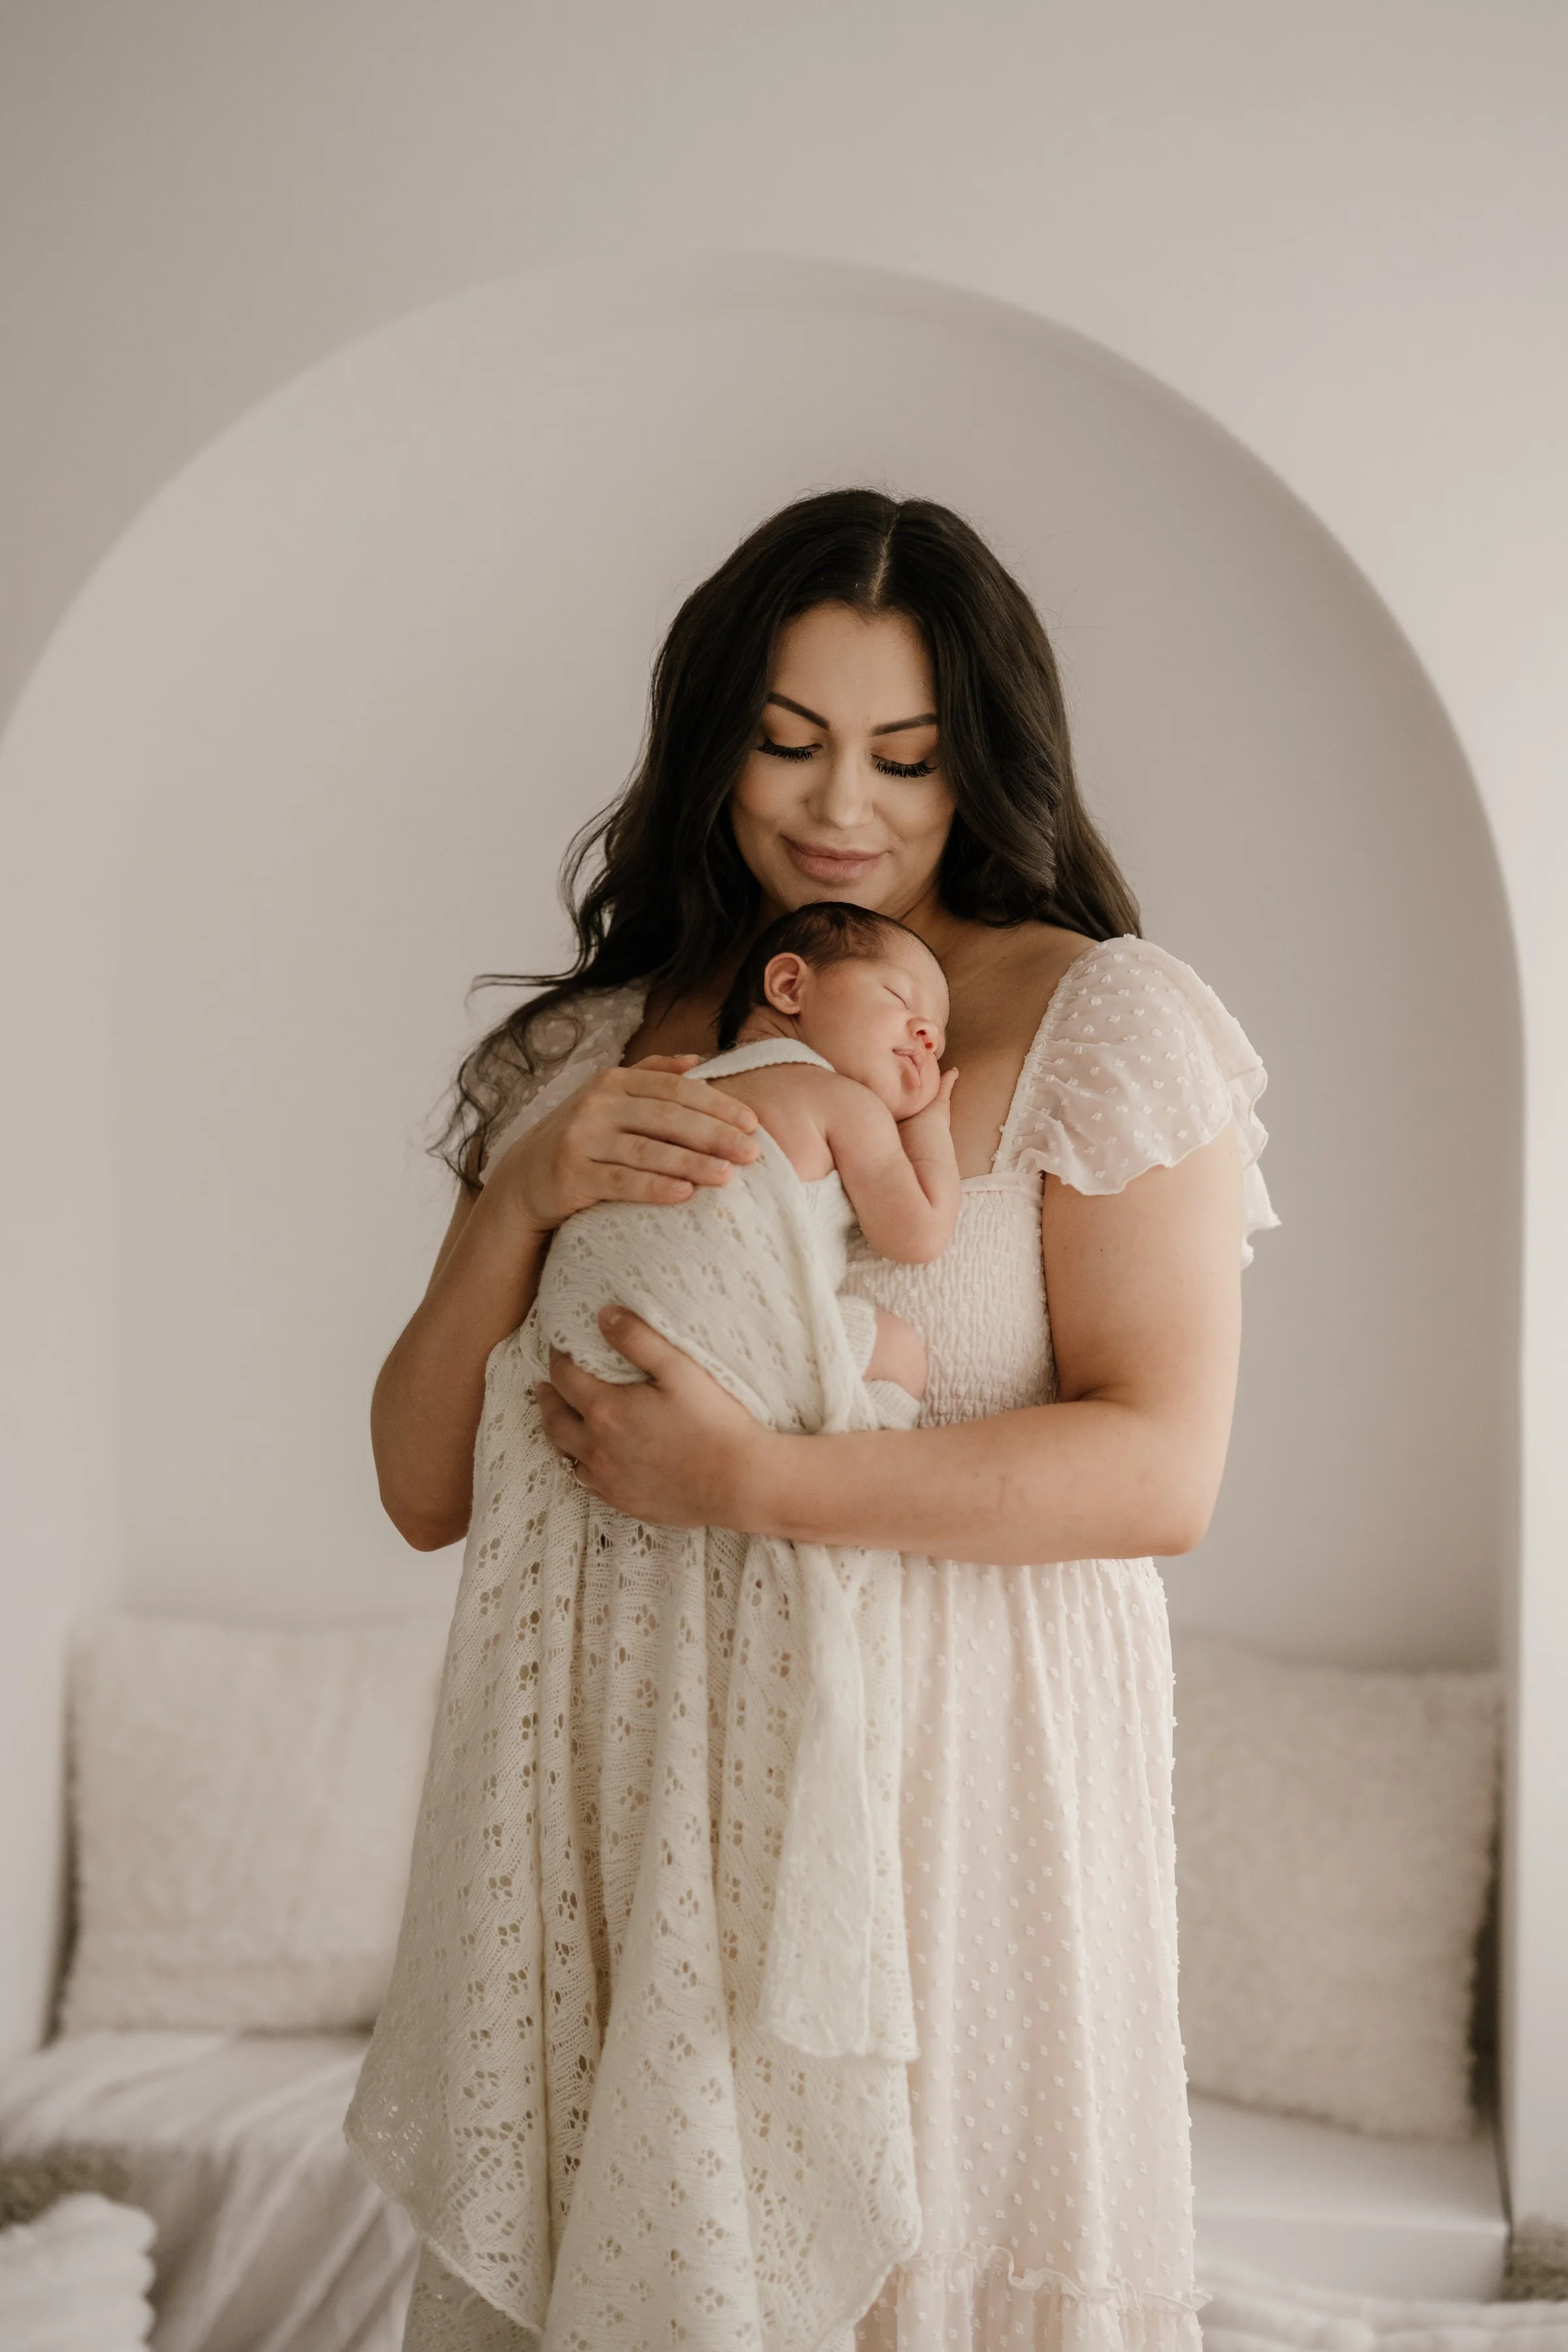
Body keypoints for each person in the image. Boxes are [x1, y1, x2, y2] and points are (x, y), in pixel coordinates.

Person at [363, 489, 1278, 2352]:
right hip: (645, 1799)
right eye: (787, 743)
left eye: (906, 757)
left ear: (983, 765)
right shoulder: (598, 1043)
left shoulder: (1103, 1021)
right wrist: (517, 1196)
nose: (840, 805)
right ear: (711, 740)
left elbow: (1160, 1469)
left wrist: (755, 1481)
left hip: (954, 1804)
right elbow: (418, 1486)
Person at [708, 897, 962, 1409]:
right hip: (727, 1331)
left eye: (937, 1038)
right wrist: (929, 1124)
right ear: (789, 986)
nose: (929, 1036)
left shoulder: (683, 1084)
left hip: (620, 1315)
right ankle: (864, 1471)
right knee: (901, 1353)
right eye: (898, 995)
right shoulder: (844, 1103)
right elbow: (917, 1235)